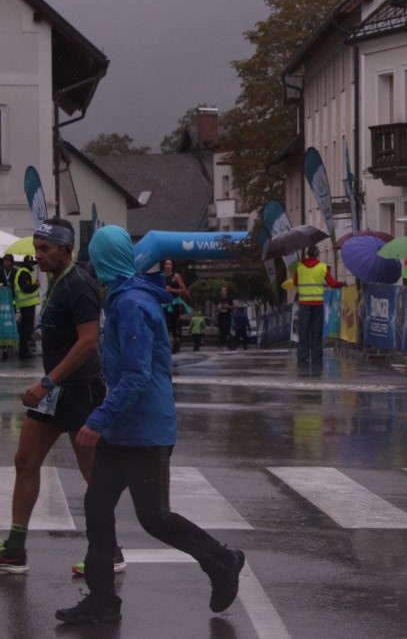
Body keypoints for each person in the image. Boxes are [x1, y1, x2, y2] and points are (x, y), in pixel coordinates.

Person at [56, 225, 244, 625]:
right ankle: (102, 600)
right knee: (97, 507)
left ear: (103, 260)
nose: (91, 264)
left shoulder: (131, 304)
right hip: (123, 429)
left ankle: (223, 561)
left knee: (154, 517)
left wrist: (98, 418)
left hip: (145, 430)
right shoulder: (122, 297)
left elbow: (137, 374)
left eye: (94, 257)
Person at [0, 219, 121, 575]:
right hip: (53, 391)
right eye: (36, 248)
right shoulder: (56, 281)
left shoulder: (80, 285)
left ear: (67, 250)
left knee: (92, 472)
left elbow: (88, 342)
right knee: (25, 460)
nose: (38, 255)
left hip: (80, 389)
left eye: (46, 249)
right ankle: (15, 548)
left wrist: (47, 381)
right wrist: (49, 384)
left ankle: (110, 551)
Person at [293, 245, 344, 367]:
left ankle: (303, 357)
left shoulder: (299, 268)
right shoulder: (322, 268)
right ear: (317, 255)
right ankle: (316, 357)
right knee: (316, 332)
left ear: (307, 254)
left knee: (304, 331)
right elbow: (332, 283)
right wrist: (342, 284)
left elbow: (295, 282)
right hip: (317, 304)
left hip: (304, 304)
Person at [14, 257, 40, 359]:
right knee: (26, 329)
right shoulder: (24, 273)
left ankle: (24, 350)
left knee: (26, 329)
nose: (33, 264)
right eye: (32, 262)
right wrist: (36, 285)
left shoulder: (24, 272)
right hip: (27, 305)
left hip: (26, 305)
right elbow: (25, 288)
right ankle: (24, 351)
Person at [162, 259, 189, 354]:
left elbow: (184, 290)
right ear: (164, 265)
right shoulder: (161, 276)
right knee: (166, 324)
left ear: (172, 266)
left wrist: (172, 290)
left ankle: (176, 342)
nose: (168, 266)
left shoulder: (176, 276)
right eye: (166, 264)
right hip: (165, 304)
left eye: (170, 264)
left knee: (174, 326)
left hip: (175, 304)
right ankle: (166, 346)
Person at [0, 255, 18, 358]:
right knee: (2, 321)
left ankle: (10, 344)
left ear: (11, 262)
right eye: (5, 260)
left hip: (12, 300)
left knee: (11, 321)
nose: (7, 262)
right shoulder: (0, 271)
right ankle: (3, 344)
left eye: (9, 261)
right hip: (2, 301)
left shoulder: (15, 271)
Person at [215, 286, 233, 350]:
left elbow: (232, 308)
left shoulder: (229, 299)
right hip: (221, 316)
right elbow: (215, 308)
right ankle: (221, 345)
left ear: (226, 292)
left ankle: (227, 345)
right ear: (220, 292)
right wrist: (218, 308)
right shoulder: (218, 299)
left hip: (227, 316)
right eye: (222, 290)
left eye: (224, 290)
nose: (223, 291)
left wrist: (228, 306)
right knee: (221, 331)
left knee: (227, 331)